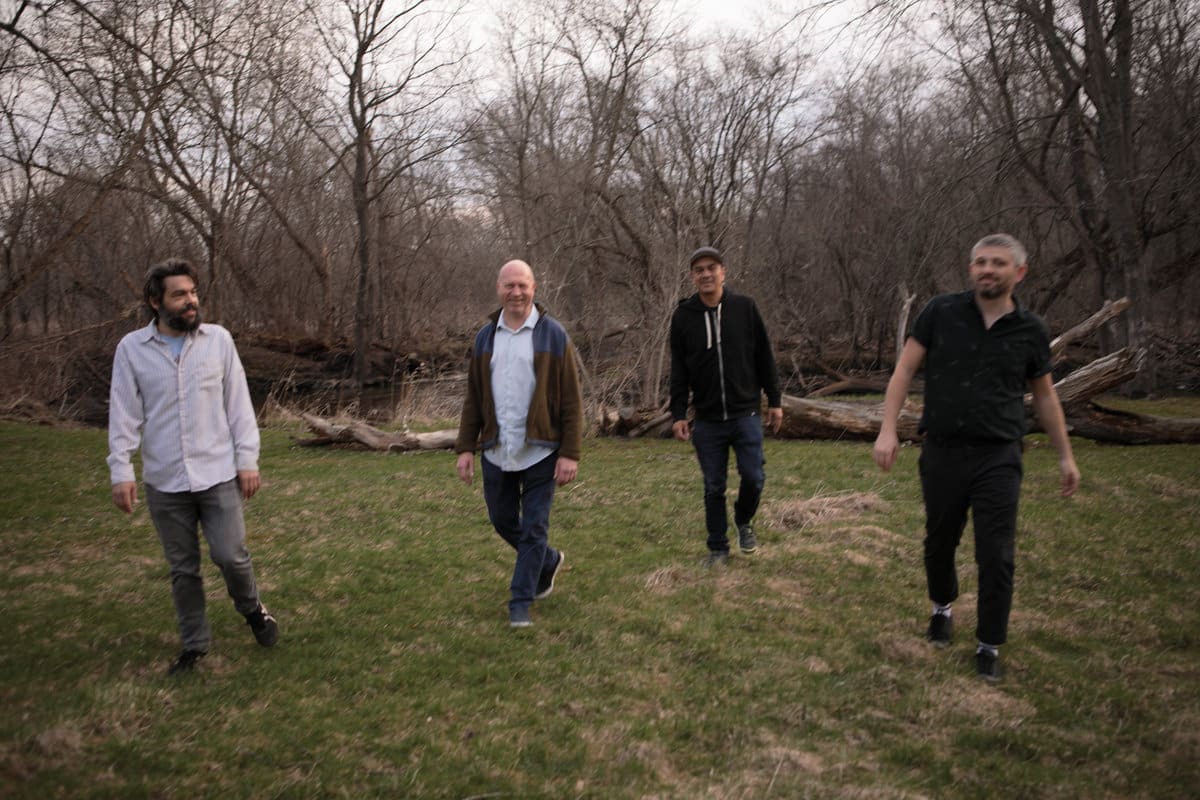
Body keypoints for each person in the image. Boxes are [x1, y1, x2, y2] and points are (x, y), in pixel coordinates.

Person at [873, 233, 1080, 682]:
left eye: (999, 263)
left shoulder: (1031, 330)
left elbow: (1044, 398)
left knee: (996, 552)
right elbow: (904, 371)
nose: (988, 269)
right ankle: (942, 606)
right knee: (939, 541)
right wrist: (887, 429)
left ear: (1018, 272)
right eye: (981, 262)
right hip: (943, 450)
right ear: (971, 269)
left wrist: (1066, 456)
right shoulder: (941, 312)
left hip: (999, 455)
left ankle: (989, 643)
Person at [107, 259, 278, 675]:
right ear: (155, 301)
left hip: (218, 474)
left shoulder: (218, 341)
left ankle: (253, 608)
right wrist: (121, 470)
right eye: (179, 294)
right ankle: (195, 646)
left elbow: (238, 405)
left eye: (193, 292)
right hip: (165, 482)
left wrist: (247, 460)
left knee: (230, 555)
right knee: (183, 570)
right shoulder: (132, 350)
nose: (190, 301)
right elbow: (124, 414)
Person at [455, 259, 583, 628]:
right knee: (502, 519)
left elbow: (573, 400)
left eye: (522, 285)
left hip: (541, 450)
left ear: (534, 288)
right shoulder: (485, 337)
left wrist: (570, 453)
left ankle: (520, 603)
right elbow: (474, 397)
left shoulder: (553, 335)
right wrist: (466, 447)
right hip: (497, 449)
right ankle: (548, 560)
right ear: (499, 289)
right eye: (509, 285)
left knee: (534, 528)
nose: (516, 292)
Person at [670, 246, 783, 567]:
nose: (706, 274)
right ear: (693, 276)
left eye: (712, 268)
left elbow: (764, 356)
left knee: (754, 477)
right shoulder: (683, 317)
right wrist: (679, 413)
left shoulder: (744, 308)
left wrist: (774, 401)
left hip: (745, 412)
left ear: (723, 272)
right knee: (713, 487)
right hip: (706, 419)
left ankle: (743, 519)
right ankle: (718, 548)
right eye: (699, 270)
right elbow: (678, 369)